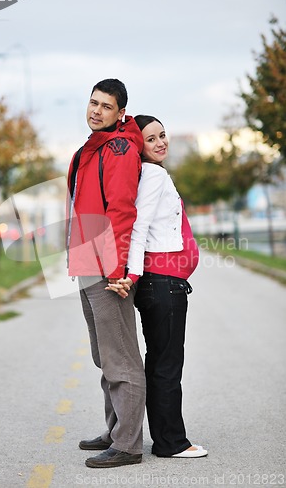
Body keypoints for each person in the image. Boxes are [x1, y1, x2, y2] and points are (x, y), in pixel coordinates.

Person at [107, 115, 208, 459]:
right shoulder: (154, 174)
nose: (161, 142)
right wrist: (133, 275)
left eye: (163, 135)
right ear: (140, 146)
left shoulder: (147, 173)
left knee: (159, 362)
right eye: (151, 139)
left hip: (162, 283)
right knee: (166, 365)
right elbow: (139, 226)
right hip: (162, 284)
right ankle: (171, 442)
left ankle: (163, 436)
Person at [66, 79, 146, 468]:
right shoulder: (92, 148)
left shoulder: (117, 149)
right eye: (93, 103)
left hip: (106, 268)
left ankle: (128, 444)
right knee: (104, 355)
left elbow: (121, 212)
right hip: (88, 263)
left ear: (120, 113)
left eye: (106, 106)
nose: (96, 111)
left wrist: (118, 271)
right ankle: (115, 430)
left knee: (122, 359)